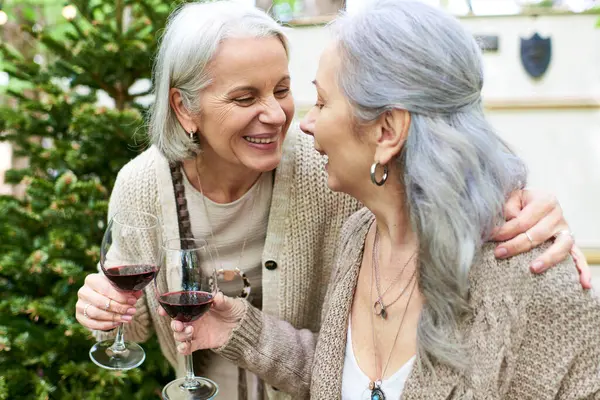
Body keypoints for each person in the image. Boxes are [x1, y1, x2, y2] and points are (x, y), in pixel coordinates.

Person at [76, 1, 591, 399]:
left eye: (298, 94)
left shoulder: (342, 188)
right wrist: (113, 311)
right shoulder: (361, 236)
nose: (291, 119)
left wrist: (519, 199)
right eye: (244, 97)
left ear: (385, 130)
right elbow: (334, 367)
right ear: (184, 108)